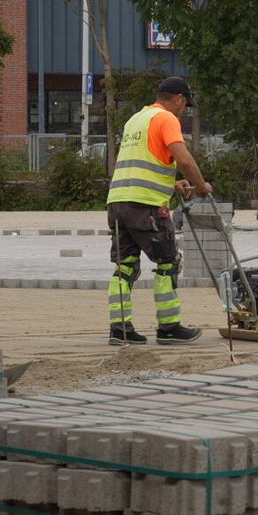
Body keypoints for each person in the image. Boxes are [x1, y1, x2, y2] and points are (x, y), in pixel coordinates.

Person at [106, 76, 211, 346]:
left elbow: (141, 162)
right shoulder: (166, 119)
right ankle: (169, 326)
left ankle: (120, 329)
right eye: (185, 103)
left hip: (118, 202)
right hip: (147, 204)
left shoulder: (136, 120)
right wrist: (201, 186)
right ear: (177, 98)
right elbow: (184, 158)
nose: (185, 109)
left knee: (125, 266)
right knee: (168, 262)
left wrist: (171, 182)